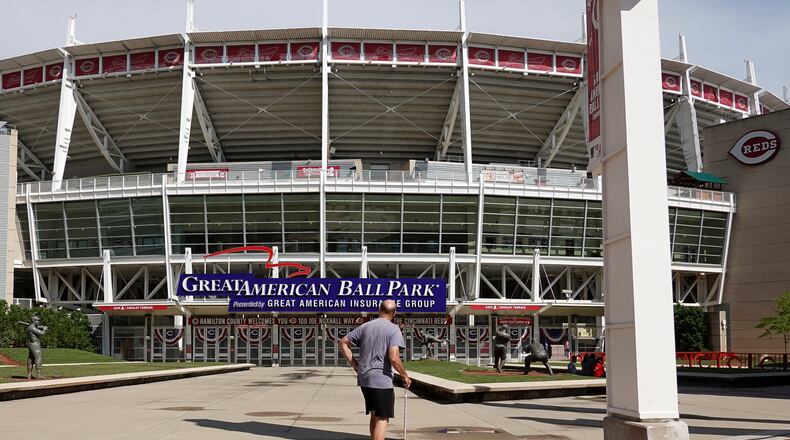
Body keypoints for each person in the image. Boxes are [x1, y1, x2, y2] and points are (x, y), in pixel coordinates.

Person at [339, 300, 411, 440]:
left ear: (379, 310)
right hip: (381, 380)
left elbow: (343, 342)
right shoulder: (393, 329)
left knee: (375, 414)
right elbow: (394, 358)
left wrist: (355, 365)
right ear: (394, 313)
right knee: (382, 418)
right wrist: (404, 376)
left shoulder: (365, 326)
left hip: (364, 379)